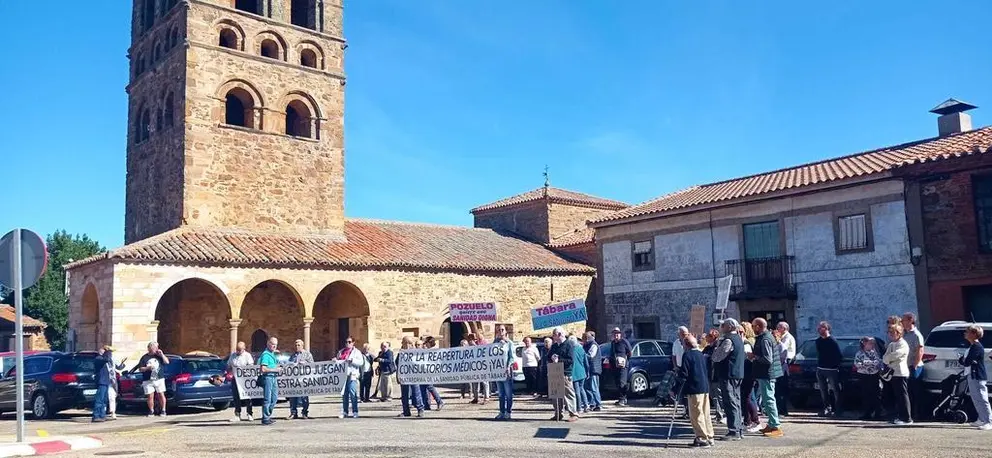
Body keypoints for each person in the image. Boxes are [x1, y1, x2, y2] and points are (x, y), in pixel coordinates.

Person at [751, 318, 783, 438]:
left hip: (767, 374)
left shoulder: (764, 339)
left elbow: (767, 359)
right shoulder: (765, 337)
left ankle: (776, 425)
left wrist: (754, 356)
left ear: (759, 326)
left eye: (754, 326)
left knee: (769, 400)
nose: (753, 328)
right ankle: (771, 424)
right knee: (767, 399)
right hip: (766, 373)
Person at [680, 335, 714, 447]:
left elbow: (684, 373)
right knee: (705, 413)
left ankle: (702, 438)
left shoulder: (687, 355)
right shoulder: (700, 354)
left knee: (696, 414)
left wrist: (678, 385)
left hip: (694, 388)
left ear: (686, 345)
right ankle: (709, 436)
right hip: (704, 387)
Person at [713, 319, 744, 441]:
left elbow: (717, 357)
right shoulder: (738, 339)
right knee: (736, 401)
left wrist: (716, 348)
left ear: (730, 327)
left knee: (730, 401)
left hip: (728, 374)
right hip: (736, 374)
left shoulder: (728, 340)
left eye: (723, 325)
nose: (721, 327)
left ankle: (734, 430)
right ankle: (738, 428)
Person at [960, 325, 992, 430]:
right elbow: (965, 360)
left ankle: (988, 421)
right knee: (975, 398)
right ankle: (981, 418)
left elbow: (967, 361)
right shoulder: (971, 346)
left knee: (982, 398)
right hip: (971, 375)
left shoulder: (977, 347)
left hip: (978, 375)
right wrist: (964, 360)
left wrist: (964, 360)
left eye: (967, 331)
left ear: (974, 334)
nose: (965, 333)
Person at [882, 323, 912, 425]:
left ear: (899, 333)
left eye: (892, 332)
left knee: (902, 396)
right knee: (897, 396)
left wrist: (889, 359)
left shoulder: (903, 344)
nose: (890, 334)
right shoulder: (891, 344)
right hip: (893, 374)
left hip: (901, 373)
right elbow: (885, 357)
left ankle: (907, 418)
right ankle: (900, 416)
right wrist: (888, 359)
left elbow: (896, 355)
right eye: (889, 332)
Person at [548, 327, 578, 422]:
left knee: (568, 394)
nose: (553, 337)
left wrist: (559, 360)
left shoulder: (569, 345)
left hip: (565, 373)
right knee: (556, 394)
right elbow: (548, 356)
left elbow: (570, 360)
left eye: (554, 334)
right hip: (555, 372)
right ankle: (558, 413)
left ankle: (573, 413)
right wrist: (551, 357)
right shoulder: (554, 346)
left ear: (560, 334)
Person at [815, 321, 843, 417]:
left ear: (827, 329)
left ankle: (838, 410)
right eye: (818, 328)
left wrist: (835, 366)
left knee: (835, 390)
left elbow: (839, 356)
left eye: (821, 328)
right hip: (820, 368)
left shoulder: (832, 341)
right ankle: (826, 408)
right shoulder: (818, 341)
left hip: (832, 369)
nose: (819, 330)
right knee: (823, 390)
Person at [901, 312, 925, 420]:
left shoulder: (916, 334)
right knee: (908, 391)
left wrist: (915, 365)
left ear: (910, 320)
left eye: (904, 320)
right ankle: (909, 414)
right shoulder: (904, 334)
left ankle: (918, 414)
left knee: (915, 391)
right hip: (905, 366)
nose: (902, 322)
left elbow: (920, 350)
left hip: (914, 367)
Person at [137, 342, 170, 417]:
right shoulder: (144, 357)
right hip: (148, 379)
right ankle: (151, 411)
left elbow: (167, 362)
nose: (155, 349)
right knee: (150, 396)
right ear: (149, 348)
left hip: (159, 378)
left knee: (161, 394)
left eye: (156, 347)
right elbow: (140, 368)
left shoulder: (159, 356)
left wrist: (162, 354)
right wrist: (147, 368)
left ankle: (163, 410)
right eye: (153, 347)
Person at [854, 336, 883, 420]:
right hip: (864, 376)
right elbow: (857, 364)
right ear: (864, 344)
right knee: (866, 394)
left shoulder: (874, 352)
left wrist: (866, 363)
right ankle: (867, 413)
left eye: (872, 344)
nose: (872, 345)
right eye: (870, 343)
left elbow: (877, 362)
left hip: (874, 375)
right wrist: (868, 363)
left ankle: (878, 413)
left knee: (876, 394)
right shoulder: (859, 353)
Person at [397, 336, 424, 418]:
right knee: (404, 394)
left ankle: (420, 409)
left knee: (416, 393)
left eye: (403, 342)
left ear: (407, 343)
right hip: (404, 376)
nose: (402, 344)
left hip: (414, 376)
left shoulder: (415, 353)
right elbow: (398, 364)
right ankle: (406, 411)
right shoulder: (401, 353)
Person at [227, 341, 255, 422]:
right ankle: (237, 414)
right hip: (235, 379)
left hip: (245, 380)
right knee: (236, 398)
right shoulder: (233, 355)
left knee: (247, 397)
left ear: (244, 349)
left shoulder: (247, 356)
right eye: (237, 349)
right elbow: (229, 365)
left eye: (239, 350)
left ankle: (249, 413)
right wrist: (229, 370)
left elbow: (251, 367)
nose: (238, 351)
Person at [739, 322, 760, 432]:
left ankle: (755, 420)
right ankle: (747, 421)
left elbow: (749, 358)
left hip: (748, 371)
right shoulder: (744, 342)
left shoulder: (747, 343)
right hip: (744, 371)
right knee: (745, 397)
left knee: (748, 397)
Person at [338, 335, 365, 418]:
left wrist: (352, 360)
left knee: (352, 392)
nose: (347, 343)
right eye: (346, 342)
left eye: (349, 342)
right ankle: (345, 411)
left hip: (352, 374)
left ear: (353, 343)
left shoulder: (357, 352)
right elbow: (338, 360)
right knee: (344, 394)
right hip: (343, 375)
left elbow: (361, 362)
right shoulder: (341, 351)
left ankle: (355, 411)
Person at [287, 339, 314, 420]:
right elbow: (288, 364)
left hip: (304, 379)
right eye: (296, 345)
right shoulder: (293, 355)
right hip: (294, 379)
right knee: (293, 396)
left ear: (302, 345)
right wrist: (292, 364)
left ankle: (304, 412)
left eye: (298, 345)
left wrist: (305, 363)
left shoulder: (307, 354)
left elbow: (313, 365)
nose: (297, 346)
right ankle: (293, 413)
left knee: (304, 396)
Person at [702, 328, 724, 424]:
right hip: (708, 374)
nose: (707, 338)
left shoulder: (717, 347)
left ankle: (723, 413)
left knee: (719, 395)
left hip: (716, 374)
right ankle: (718, 413)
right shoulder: (707, 348)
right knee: (713, 395)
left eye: (709, 336)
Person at [493, 325, 516, 420]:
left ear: (506, 331)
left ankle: (508, 411)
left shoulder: (509, 343)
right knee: (501, 394)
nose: (500, 331)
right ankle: (501, 411)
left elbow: (512, 357)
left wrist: (508, 366)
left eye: (502, 330)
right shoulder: (495, 342)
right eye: (499, 330)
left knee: (508, 393)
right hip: (498, 371)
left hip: (507, 371)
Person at [259, 337, 282, 426]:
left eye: (275, 344)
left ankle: (267, 415)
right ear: (268, 343)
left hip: (273, 378)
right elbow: (263, 369)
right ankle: (265, 417)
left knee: (274, 398)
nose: (274, 346)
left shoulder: (272, 354)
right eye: (272, 344)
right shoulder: (265, 355)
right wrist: (275, 370)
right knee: (267, 398)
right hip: (268, 378)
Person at [607, 327, 633, 406]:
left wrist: (625, 360)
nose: (616, 335)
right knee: (618, 382)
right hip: (615, 365)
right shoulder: (613, 343)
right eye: (614, 334)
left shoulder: (624, 341)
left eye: (617, 334)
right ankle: (621, 398)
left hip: (623, 365)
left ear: (620, 334)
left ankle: (623, 399)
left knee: (622, 382)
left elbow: (630, 352)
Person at [774, 322, 796, 416]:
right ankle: (781, 409)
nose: (777, 329)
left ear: (784, 329)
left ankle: (783, 410)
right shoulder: (783, 337)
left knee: (781, 389)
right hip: (782, 364)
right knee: (779, 389)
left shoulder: (787, 337)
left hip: (785, 364)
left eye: (779, 328)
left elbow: (783, 350)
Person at [420, 337, 445, 411]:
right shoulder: (427, 350)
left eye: (426, 342)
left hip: (430, 370)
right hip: (425, 370)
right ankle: (427, 404)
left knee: (429, 386)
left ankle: (439, 401)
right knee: (423, 387)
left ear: (429, 343)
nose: (425, 344)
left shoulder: (434, 350)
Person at [92, 345, 114, 423]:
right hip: (101, 381)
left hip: (105, 381)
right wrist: (108, 352)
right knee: (99, 400)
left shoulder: (103, 359)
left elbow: (108, 361)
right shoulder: (98, 359)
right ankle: (96, 415)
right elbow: (106, 359)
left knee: (104, 400)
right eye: (104, 350)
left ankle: (102, 415)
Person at [583, 331, 603, 412]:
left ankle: (598, 404)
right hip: (589, 369)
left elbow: (590, 356)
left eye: (586, 337)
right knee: (587, 387)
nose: (585, 339)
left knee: (594, 387)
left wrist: (582, 354)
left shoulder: (594, 345)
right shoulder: (587, 345)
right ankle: (592, 403)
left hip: (593, 369)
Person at [569, 335, 589, 414]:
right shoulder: (581, 349)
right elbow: (586, 362)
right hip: (582, 372)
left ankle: (579, 407)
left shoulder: (572, 350)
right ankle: (586, 405)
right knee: (582, 389)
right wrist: (587, 372)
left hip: (575, 373)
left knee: (577, 391)